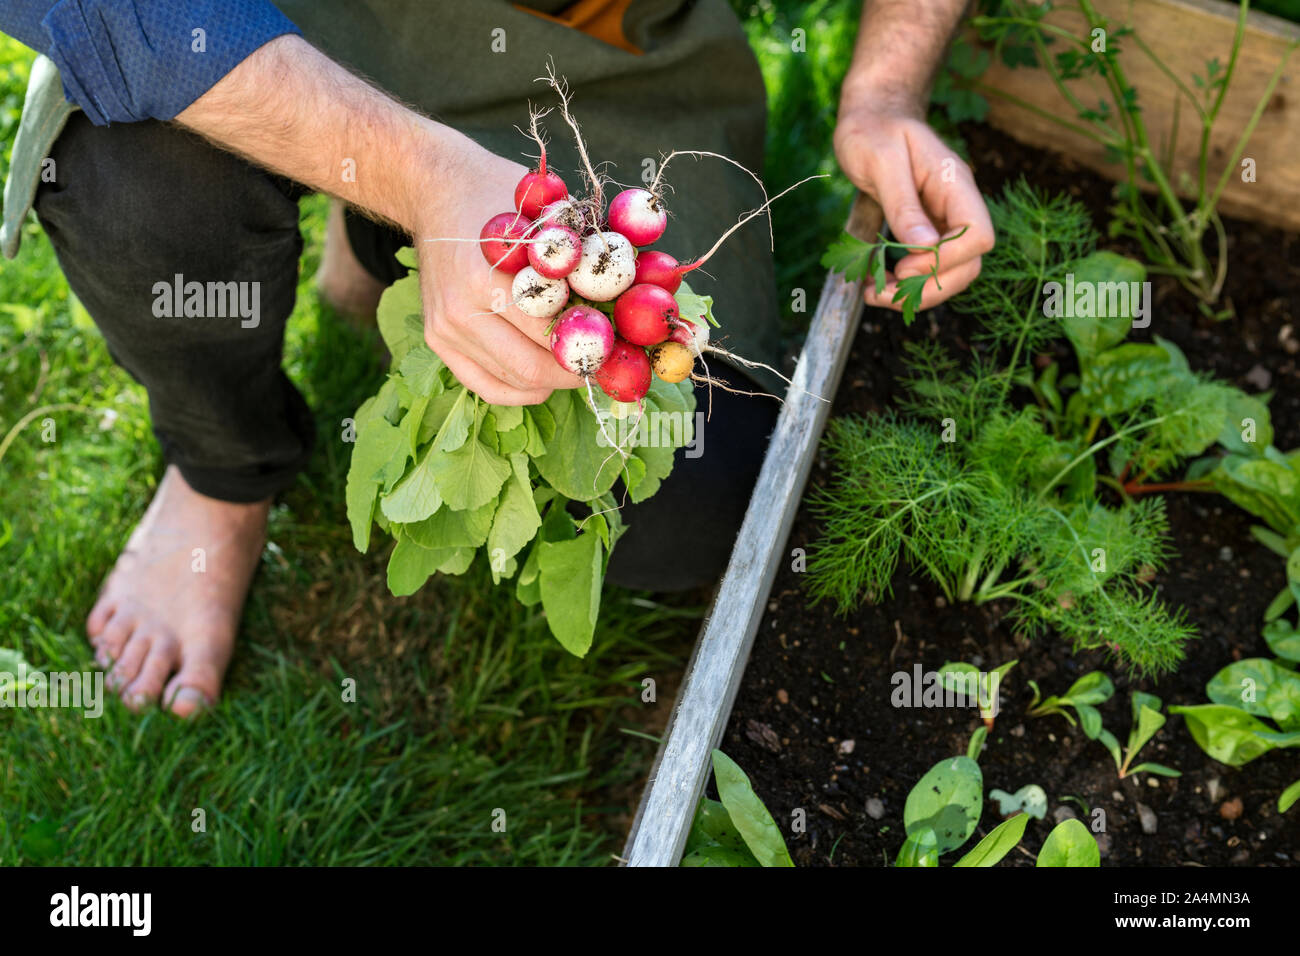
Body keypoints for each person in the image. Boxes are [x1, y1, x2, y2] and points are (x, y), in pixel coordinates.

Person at [0, 0, 993, 717]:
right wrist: (426, 178)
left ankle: (377, 240)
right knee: (135, 186)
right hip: (255, 22)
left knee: (694, 489)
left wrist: (883, 92)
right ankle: (223, 469)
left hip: (599, 47)